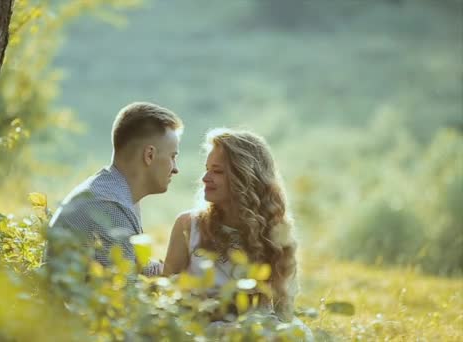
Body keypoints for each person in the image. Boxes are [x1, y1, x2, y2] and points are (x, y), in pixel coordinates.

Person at [163, 128, 311, 338]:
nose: (205, 178)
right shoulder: (188, 225)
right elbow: (166, 295)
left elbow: (283, 309)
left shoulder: (276, 233)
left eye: (218, 171)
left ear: (244, 176)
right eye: (206, 169)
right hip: (202, 332)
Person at [45, 102, 183, 276]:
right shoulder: (111, 207)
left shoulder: (115, 191)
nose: (175, 168)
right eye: (172, 156)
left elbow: (133, 265)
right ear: (149, 155)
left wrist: (169, 272)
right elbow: (126, 296)